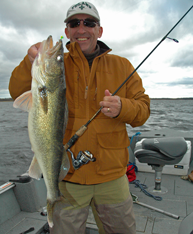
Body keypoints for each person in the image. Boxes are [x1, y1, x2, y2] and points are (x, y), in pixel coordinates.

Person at [9, 2, 150, 234]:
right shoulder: (57, 62)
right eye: (74, 23)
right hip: (68, 178)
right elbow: (16, 92)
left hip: (112, 177)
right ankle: (52, 199)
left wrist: (123, 107)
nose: (81, 29)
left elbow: (143, 110)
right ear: (67, 32)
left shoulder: (123, 66)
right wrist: (30, 62)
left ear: (99, 30)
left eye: (89, 23)